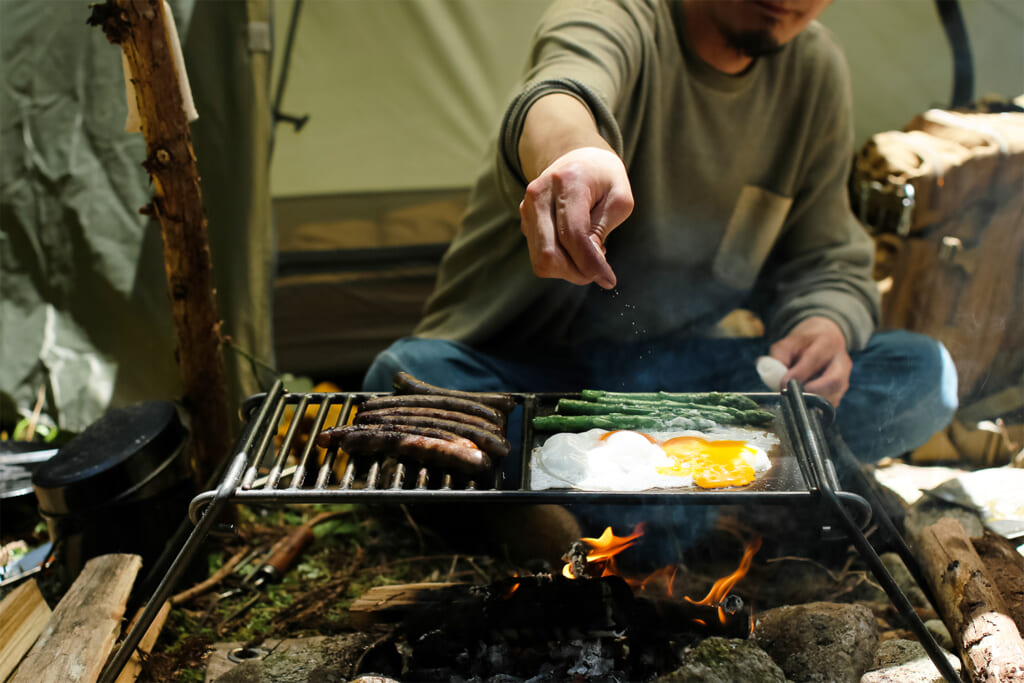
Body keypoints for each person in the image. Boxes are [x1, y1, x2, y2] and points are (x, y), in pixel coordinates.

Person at [363, 0, 958, 560]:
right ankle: (702, 502)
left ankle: (572, 501)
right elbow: (559, 91)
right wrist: (578, 155)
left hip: (681, 387)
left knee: (923, 371)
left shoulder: (813, 67)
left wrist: (823, 323)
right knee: (404, 379)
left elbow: (826, 255)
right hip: (522, 382)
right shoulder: (619, 15)